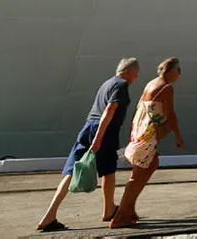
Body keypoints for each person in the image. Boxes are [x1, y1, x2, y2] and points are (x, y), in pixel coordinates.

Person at [36, 58, 140, 232]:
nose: (136, 78)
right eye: (136, 75)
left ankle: (52, 214)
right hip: (104, 130)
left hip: (88, 126)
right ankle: (107, 210)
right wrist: (99, 138)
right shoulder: (121, 85)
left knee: (83, 170)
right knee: (108, 170)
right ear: (130, 72)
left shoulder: (107, 83)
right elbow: (109, 110)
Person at [110, 57, 183, 229]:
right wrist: (178, 137)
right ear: (171, 71)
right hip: (148, 136)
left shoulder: (151, 83)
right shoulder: (166, 88)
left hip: (141, 132)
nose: (180, 74)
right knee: (138, 175)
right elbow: (171, 115)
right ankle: (121, 215)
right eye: (179, 70)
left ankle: (130, 209)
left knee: (150, 165)